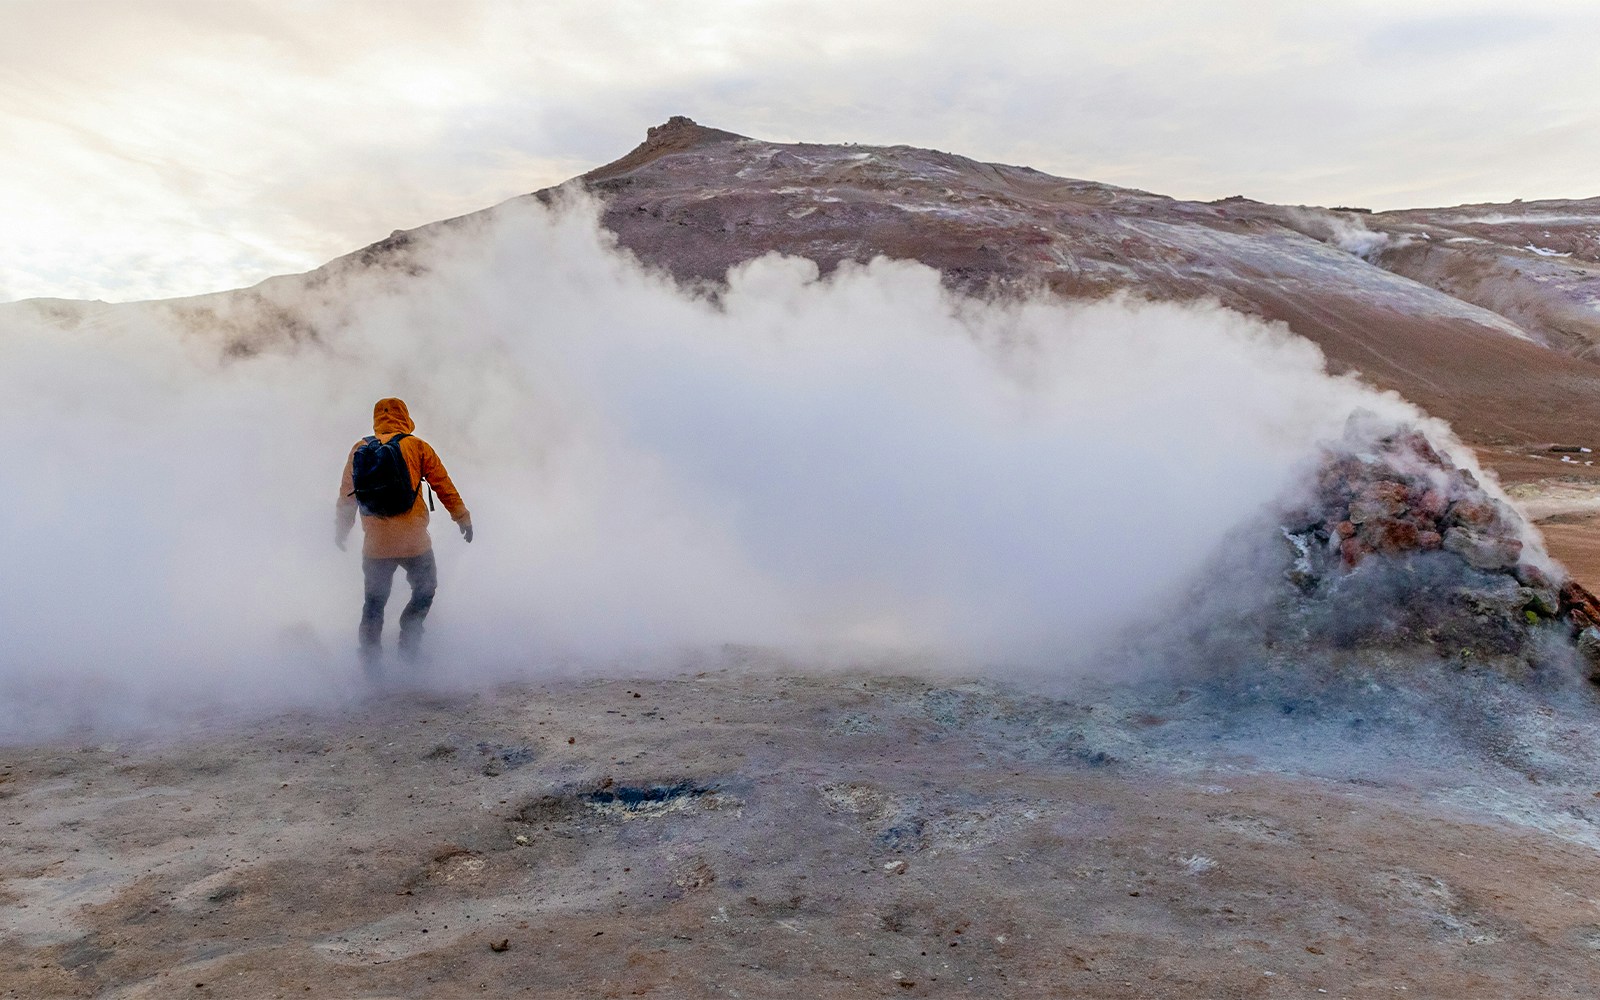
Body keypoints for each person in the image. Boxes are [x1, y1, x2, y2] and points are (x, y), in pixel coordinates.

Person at [336, 397, 472, 671]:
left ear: (377, 418)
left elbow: (346, 497)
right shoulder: (417, 447)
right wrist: (462, 517)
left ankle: (370, 662)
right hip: (414, 543)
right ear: (404, 416)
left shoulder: (359, 449)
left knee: (374, 602)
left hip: (375, 546)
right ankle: (409, 647)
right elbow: (443, 485)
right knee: (425, 589)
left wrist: (341, 530)